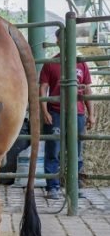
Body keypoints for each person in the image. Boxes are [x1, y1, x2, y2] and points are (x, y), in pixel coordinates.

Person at [39, 30, 95, 200]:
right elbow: (42, 88)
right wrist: (45, 111)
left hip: (77, 112)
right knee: (53, 149)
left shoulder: (81, 64)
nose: (64, 41)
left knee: (76, 150)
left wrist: (91, 114)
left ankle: (75, 185)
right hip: (55, 111)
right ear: (57, 41)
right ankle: (52, 187)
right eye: (61, 38)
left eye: (68, 38)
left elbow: (88, 89)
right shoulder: (51, 63)